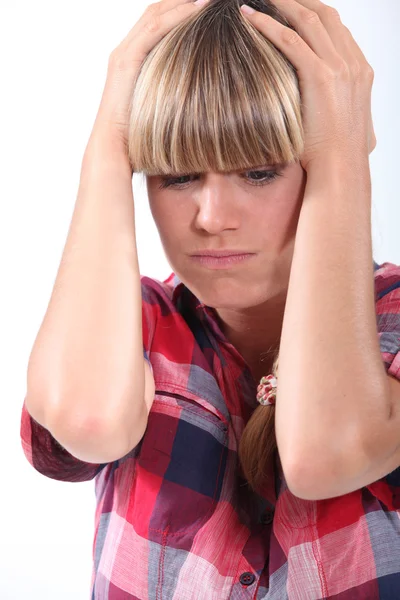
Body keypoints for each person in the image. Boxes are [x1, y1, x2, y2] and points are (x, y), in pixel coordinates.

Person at [20, 0, 400, 598]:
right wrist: (108, 143)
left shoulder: (394, 325)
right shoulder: (135, 325)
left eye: (259, 172)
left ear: (323, 165)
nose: (213, 218)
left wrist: (344, 153)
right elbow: (87, 422)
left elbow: (327, 452)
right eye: (176, 175)